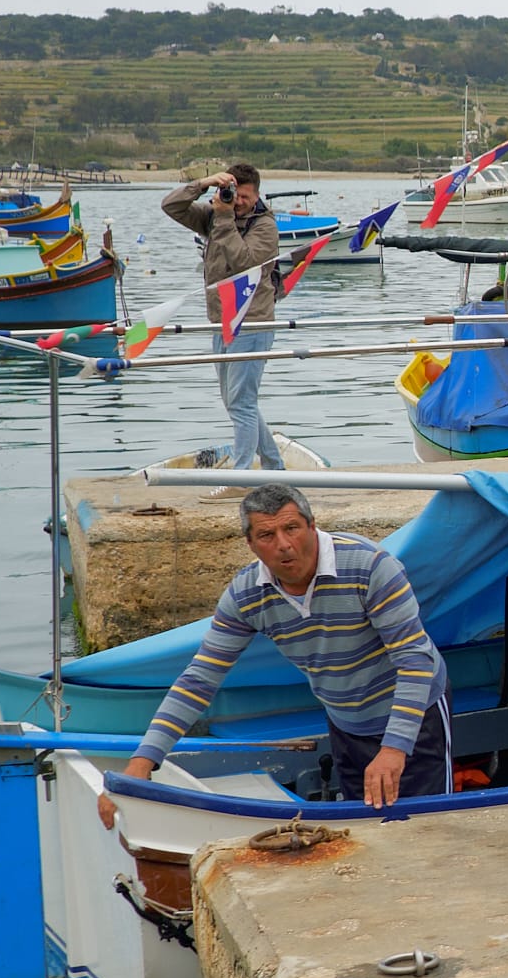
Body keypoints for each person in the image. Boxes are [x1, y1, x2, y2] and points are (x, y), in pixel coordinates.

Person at [120, 486, 451, 808]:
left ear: (311, 526)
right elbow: (199, 679)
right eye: (267, 536)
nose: (284, 545)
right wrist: (144, 759)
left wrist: (394, 748)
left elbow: (414, 660)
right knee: (366, 823)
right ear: (250, 544)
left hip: (416, 713)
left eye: (292, 528)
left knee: (427, 824)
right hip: (346, 720)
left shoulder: (370, 567)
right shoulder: (247, 595)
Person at [162, 162, 283, 470]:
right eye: (232, 194)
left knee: (241, 403)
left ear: (257, 195)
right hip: (222, 322)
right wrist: (202, 183)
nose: (238, 201)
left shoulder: (265, 227)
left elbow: (245, 264)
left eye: (245, 196)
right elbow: (170, 206)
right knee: (237, 403)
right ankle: (274, 466)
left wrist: (226, 217)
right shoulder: (215, 215)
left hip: (252, 323)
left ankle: (241, 477)